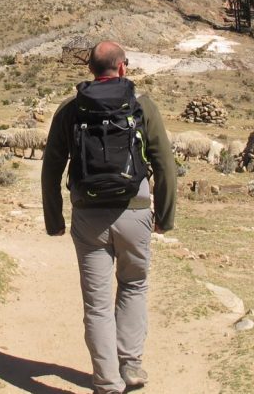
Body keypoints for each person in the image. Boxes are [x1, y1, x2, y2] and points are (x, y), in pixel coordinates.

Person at [42, 41, 177, 394]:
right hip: (134, 212)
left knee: (97, 305)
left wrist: (53, 219)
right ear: (122, 68)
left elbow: (51, 167)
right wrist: (164, 216)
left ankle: (106, 382)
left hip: (88, 218)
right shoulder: (142, 106)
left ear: (91, 70)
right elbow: (165, 166)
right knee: (133, 285)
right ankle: (130, 366)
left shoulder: (70, 110)